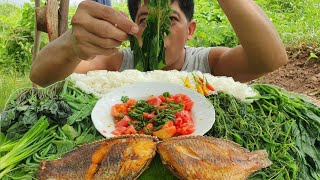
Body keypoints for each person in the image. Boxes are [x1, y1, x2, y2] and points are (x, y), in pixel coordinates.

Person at [30, 0, 288, 87]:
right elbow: (41, 75)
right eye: (145, 20)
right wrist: (72, 45)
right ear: (132, 28)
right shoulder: (117, 62)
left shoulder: (207, 63)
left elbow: (270, 59)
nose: (158, 34)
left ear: (190, 30)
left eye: (172, 20)